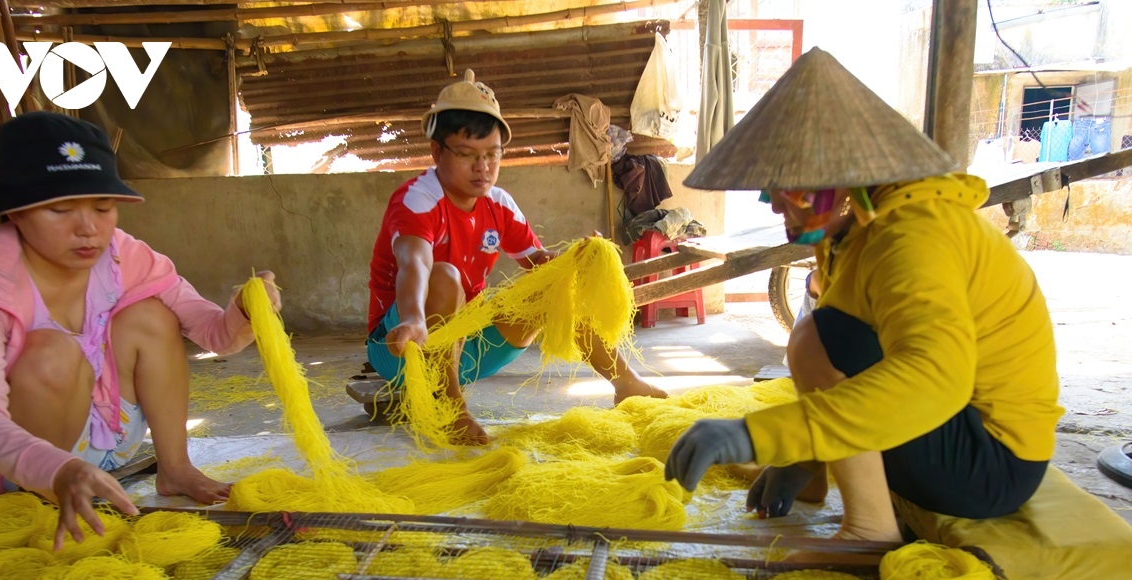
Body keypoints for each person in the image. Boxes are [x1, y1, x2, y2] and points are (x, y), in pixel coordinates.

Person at [665, 48, 1062, 542]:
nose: (777, 208)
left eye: (793, 192)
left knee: (822, 337)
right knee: (821, 334)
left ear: (842, 184)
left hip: (993, 465)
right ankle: (819, 480)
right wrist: (803, 459)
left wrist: (755, 434)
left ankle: (870, 529)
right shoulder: (858, 231)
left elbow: (934, 381)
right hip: (960, 439)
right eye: (773, 192)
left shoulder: (915, 235)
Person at [0, 112, 281, 548]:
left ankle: (175, 468)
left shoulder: (121, 256)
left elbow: (214, 334)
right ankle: (40, 501)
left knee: (151, 315)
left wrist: (247, 310)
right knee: (51, 352)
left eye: (103, 207)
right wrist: (55, 469)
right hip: (11, 469)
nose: (88, 229)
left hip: (103, 443)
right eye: (60, 209)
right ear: (15, 214)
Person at [366, 69, 665, 446]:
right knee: (444, 276)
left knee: (554, 285)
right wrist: (411, 319)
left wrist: (578, 258)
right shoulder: (417, 200)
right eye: (467, 155)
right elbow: (416, 263)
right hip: (405, 346)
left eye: (492, 154)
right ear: (437, 152)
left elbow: (540, 263)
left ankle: (626, 383)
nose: (483, 167)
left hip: (470, 346)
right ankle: (450, 409)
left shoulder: (499, 204)